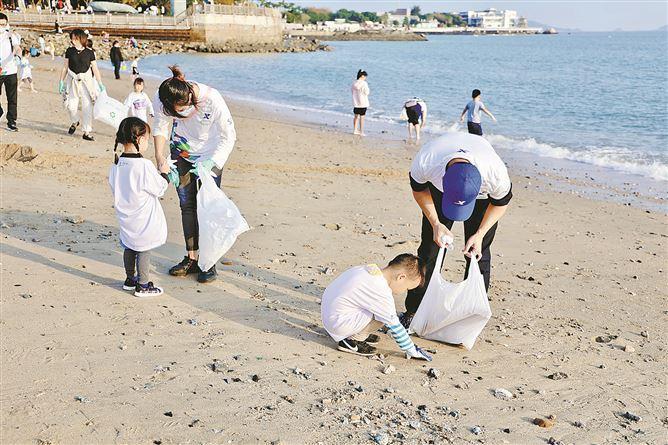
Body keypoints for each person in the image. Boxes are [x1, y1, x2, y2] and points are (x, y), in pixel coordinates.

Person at [400, 132, 513, 329]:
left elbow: (500, 203)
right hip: (439, 191)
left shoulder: (495, 174)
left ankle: (470, 319)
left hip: (482, 198)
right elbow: (419, 190)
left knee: (477, 254)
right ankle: (414, 311)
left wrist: (480, 234)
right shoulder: (427, 161)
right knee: (430, 248)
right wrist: (436, 223)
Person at [153, 65, 236, 283]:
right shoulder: (162, 97)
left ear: (189, 98)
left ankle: (208, 262)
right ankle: (192, 258)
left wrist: (212, 163)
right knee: (187, 205)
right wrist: (160, 158)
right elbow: (160, 127)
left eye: (180, 110)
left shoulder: (212, 99)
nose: (179, 114)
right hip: (181, 151)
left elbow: (228, 136)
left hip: (211, 154)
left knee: (207, 207)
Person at [321, 254, 432, 360]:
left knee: (381, 311)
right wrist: (412, 350)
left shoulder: (368, 269)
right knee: (385, 316)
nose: (404, 291)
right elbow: (395, 326)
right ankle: (352, 341)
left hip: (330, 316)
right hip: (338, 324)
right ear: (401, 277)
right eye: (407, 288)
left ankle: (358, 332)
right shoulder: (381, 291)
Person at [109, 117, 170, 297]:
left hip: (125, 215)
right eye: (147, 139)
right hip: (143, 216)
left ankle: (130, 279)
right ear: (140, 139)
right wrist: (165, 173)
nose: (147, 143)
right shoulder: (143, 165)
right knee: (143, 248)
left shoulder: (116, 164)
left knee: (129, 245)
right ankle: (143, 285)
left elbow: (114, 187)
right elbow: (159, 188)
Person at [58, 28, 105, 141]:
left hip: (86, 81)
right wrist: (61, 81)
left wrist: (100, 83)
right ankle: (75, 121)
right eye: (72, 38)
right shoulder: (69, 51)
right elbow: (65, 67)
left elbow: (95, 69)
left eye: (75, 38)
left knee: (87, 107)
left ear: (81, 39)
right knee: (70, 106)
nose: (73, 41)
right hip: (72, 79)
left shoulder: (90, 52)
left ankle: (86, 132)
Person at [0, 13, 21, 132]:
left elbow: (17, 47)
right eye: (0, 24)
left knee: (12, 98)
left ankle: (11, 121)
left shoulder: (11, 36)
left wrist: (18, 57)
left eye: (4, 24)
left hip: (10, 70)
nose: (2, 27)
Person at [351, 69, 369, 136]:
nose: (365, 78)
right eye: (365, 76)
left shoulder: (354, 83)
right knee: (362, 117)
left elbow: (352, 91)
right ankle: (361, 131)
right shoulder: (364, 83)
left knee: (356, 117)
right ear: (362, 76)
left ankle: (355, 130)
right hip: (363, 103)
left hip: (356, 103)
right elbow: (367, 92)